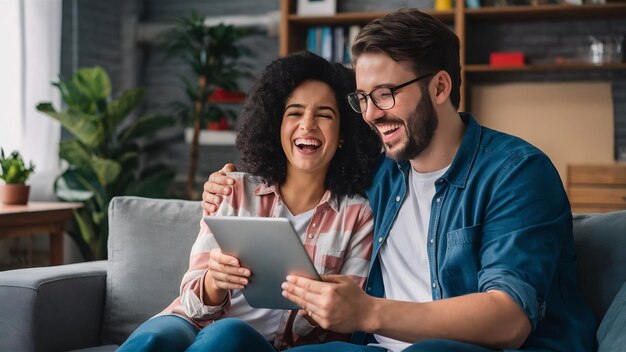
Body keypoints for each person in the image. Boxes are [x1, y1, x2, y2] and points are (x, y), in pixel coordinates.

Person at [201, 8, 596, 352]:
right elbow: (306, 166)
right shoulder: (382, 170)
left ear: (440, 86)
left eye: (386, 94)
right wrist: (229, 180)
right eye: (362, 98)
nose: (371, 114)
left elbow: (509, 319)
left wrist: (369, 311)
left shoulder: (517, 173)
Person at [117, 51, 382, 352]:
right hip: (194, 323)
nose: (307, 125)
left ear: (344, 133)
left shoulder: (358, 215)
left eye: (324, 114)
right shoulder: (233, 189)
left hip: (268, 343)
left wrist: (318, 304)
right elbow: (191, 301)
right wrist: (214, 283)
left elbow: (343, 317)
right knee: (156, 337)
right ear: (276, 127)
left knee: (228, 335)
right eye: (294, 113)